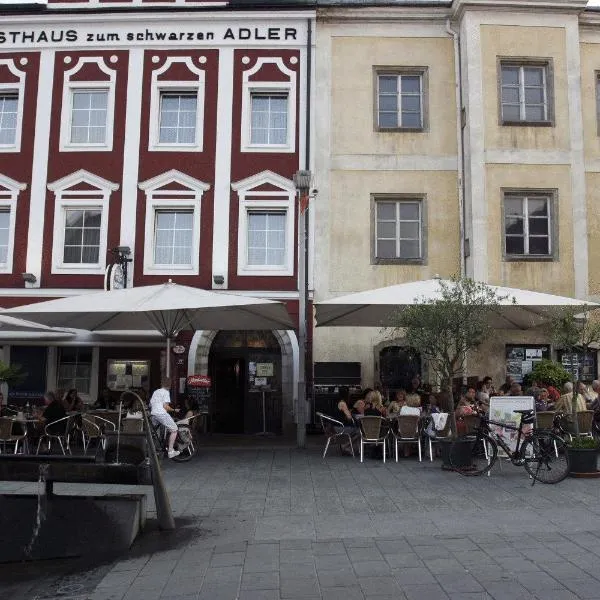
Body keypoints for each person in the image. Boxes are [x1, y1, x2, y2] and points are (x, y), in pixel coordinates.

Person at [149, 377, 180, 459]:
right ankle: (170, 451)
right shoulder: (166, 392)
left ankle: (156, 448)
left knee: (154, 433)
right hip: (161, 414)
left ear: (162, 383)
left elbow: (151, 404)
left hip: (153, 414)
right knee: (174, 429)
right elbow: (165, 407)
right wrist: (174, 410)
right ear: (169, 384)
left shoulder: (156, 391)